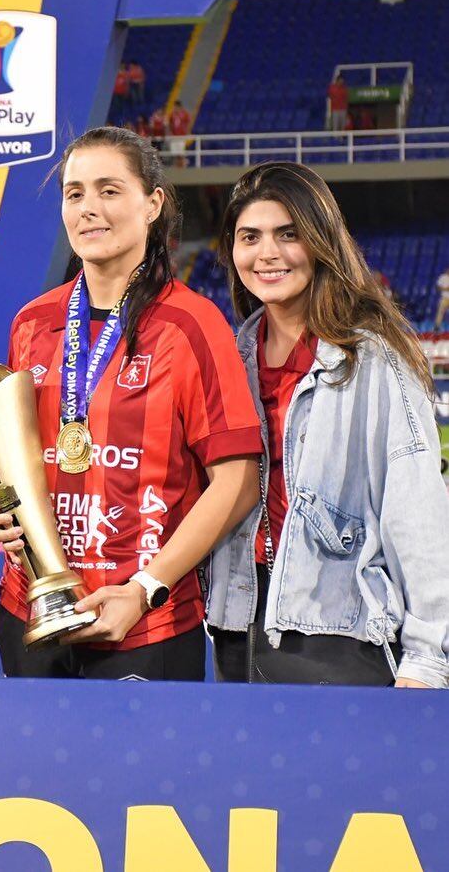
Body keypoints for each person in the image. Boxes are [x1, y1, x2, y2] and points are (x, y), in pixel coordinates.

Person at [0, 126, 262, 680]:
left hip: (145, 621)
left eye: (110, 190)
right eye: (75, 193)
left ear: (153, 203)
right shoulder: (32, 323)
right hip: (33, 607)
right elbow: (19, 461)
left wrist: (144, 589)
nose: (89, 208)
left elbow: (238, 480)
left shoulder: (191, 325)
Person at [208, 162, 449, 688]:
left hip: (335, 637)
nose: (266, 253)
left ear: (321, 243)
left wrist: (429, 656)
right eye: (250, 237)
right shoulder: (228, 360)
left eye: (287, 234)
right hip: (236, 626)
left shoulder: (375, 361)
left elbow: (417, 513)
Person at [434, 266, 449, 331]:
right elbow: (437, 287)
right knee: (440, 312)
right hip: (445, 298)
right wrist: (445, 289)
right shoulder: (443, 277)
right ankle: (437, 327)